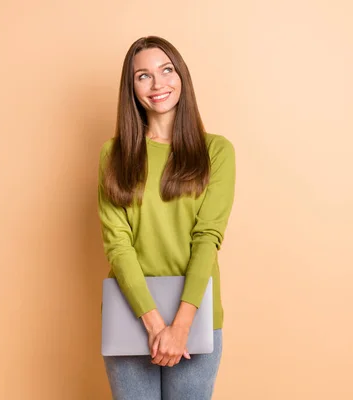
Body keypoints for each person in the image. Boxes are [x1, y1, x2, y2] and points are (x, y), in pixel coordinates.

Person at [97, 35, 235, 400]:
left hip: (195, 317)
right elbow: (117, 244)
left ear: (181, 77)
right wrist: (156, 324)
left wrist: (180, 327)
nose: (158, 84)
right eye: (143, 76)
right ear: (132, 88)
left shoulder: (216, 152)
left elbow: (208, 239)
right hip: (131, 314)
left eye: (166, 70)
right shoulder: (114, 154)